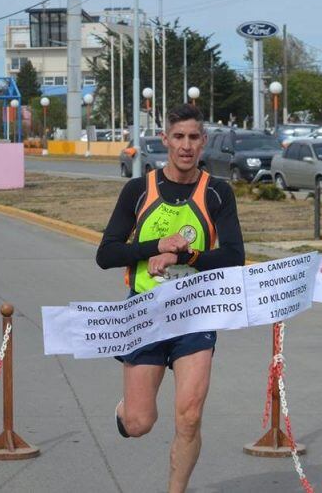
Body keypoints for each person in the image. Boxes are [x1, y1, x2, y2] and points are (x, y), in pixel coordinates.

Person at [96, 104, 244, 493]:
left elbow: (233, 257)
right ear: (164, 140)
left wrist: (185, 256)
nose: (186, 146)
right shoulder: (138, 189)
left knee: (189, 417)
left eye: (194, 137)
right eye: (178, 137)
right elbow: (106, 254)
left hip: (195, 316)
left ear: (204, 142)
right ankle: (124, 410)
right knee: (139, 423)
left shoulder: (217, 192)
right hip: (145, 314)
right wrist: (153, 246)